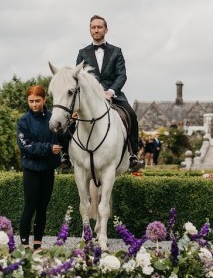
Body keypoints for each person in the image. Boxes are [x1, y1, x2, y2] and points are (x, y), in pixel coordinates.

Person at [70, 14, 140, 171]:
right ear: (90, 30)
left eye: (99, 27)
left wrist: (111, 91)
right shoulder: (82, 53)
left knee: (132, 116)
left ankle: (133, 154)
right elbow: (78, 76)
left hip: (113, 95)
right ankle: (67, 156)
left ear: (106, 29)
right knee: (69, 117)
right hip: (90, 97)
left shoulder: (117, 51)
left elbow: (122, 75)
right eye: (93, 27)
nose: (96, 30)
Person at [16, 85, 64, 250]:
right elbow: (26, 146)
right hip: (31, 170)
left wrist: (71, 121)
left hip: (48, 170)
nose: (34, 104)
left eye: (37, 101)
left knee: (42, 209)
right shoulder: (23, 121)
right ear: (27, 101)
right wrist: (48, 148)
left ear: (44, 100)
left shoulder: (53, 117)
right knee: (30, 207)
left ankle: (38, 245)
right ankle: (24, 245)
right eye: (31, 101)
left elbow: (63, 134)